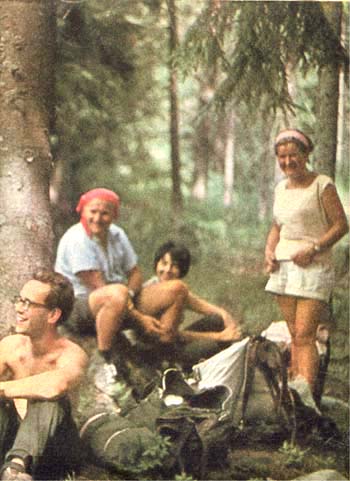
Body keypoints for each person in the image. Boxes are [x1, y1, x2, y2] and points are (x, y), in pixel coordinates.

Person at [264, 129, 348, 395]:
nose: (288, 162)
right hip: (284, 267)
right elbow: (278, 225)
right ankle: (294, 393)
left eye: (293, 155)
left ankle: (307, 400)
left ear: (306, 154)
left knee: (304, 335)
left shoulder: (321, 185)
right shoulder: (280, 189)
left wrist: (314, 248)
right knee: (293, 334)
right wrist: (269, 250)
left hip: (313, 267)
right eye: (282, 157)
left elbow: (341, 225)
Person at [0, 271, 88, 481]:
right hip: (12, 441)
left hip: (54, 453)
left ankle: (16, 471)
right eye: (19, 300)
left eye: (28, 303)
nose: (19, 308)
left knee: (49, 400)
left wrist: (4, 388)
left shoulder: (72, 354)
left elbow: (55, 386)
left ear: (52, 315)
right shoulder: (11, 346)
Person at [132, 241, 241, 369]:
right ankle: (186, 375)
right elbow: (172, 335)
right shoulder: (152, 289)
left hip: (173, 344)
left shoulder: (176, 291)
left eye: (174, 266)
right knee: (215, 345)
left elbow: (203, 306)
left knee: (216, 320)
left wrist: (225, 316)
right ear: (156, 264)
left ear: (181, 270)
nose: (167, 270)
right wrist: (219, 336)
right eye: (164, 263)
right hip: (156, 353)